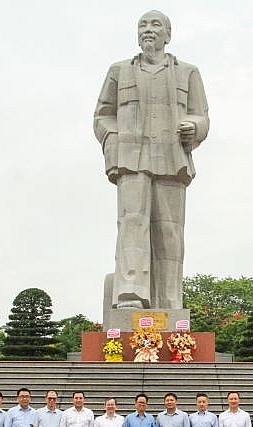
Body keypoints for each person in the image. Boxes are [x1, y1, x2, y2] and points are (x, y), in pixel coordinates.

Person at [93, 10, 210, 309]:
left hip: (172, 158)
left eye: (155, 25)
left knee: (169, 231)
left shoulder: (188, 72)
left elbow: (202, 115)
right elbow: (102, 116)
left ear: (168, 35)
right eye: (142, 25)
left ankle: (169, 300)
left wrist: (194, 128)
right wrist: (115, 141)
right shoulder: (119, 71)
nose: (148, 30)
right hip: (132, 158)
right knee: (132, 223)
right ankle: (130, 294)